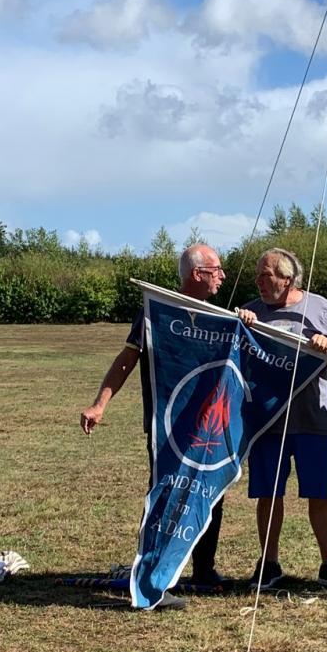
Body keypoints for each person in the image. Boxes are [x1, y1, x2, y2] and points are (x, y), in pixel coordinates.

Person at [79, 243, 228, 610]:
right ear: (197, 274)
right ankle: (154, 574)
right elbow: (127, 360)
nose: (223, 276)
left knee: (210, 494)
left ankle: (203, 568)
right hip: (167, 427)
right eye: (217, 270)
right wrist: (100, 404)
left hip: (207, 429)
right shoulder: (155, 312)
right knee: (166, 495)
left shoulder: (220, 315)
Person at [237, 249, 327, 589]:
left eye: (266, 276)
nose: (259, 282)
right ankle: (269, 564)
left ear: (286, 280)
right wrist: (240, 324)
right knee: (269, 493)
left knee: (320, 492)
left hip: (312, 419)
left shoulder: (318, 307)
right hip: (267, 419)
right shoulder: (252, 312)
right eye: (258, 276)